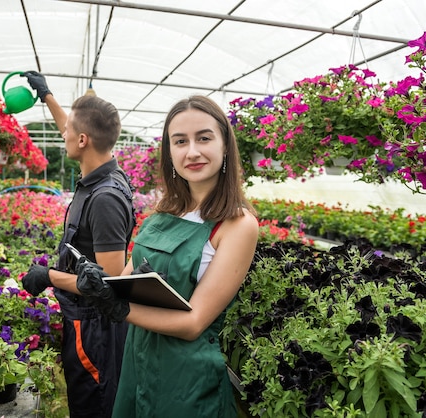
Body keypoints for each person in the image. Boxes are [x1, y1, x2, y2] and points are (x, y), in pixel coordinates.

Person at [75, 95, 259, 417]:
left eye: (204, 138)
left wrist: (119, 308)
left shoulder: (237, 224)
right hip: (138, 359)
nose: (192, 151)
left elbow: (194, 323)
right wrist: (102, 282)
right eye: (180, 141)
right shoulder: (164, 210)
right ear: (169, 151)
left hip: (186, 379)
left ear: (225, 145)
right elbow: (127, 278)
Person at [19, 71, 135, 418]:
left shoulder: (105, 198)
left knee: (93, 405)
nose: (63, 134)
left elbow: (110, 284)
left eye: (69, 131)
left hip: (95, 328)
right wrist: (47, 95)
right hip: (83, 320)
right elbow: (70, 128)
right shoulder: (99, 172)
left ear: (83, 140)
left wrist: (49, 276)